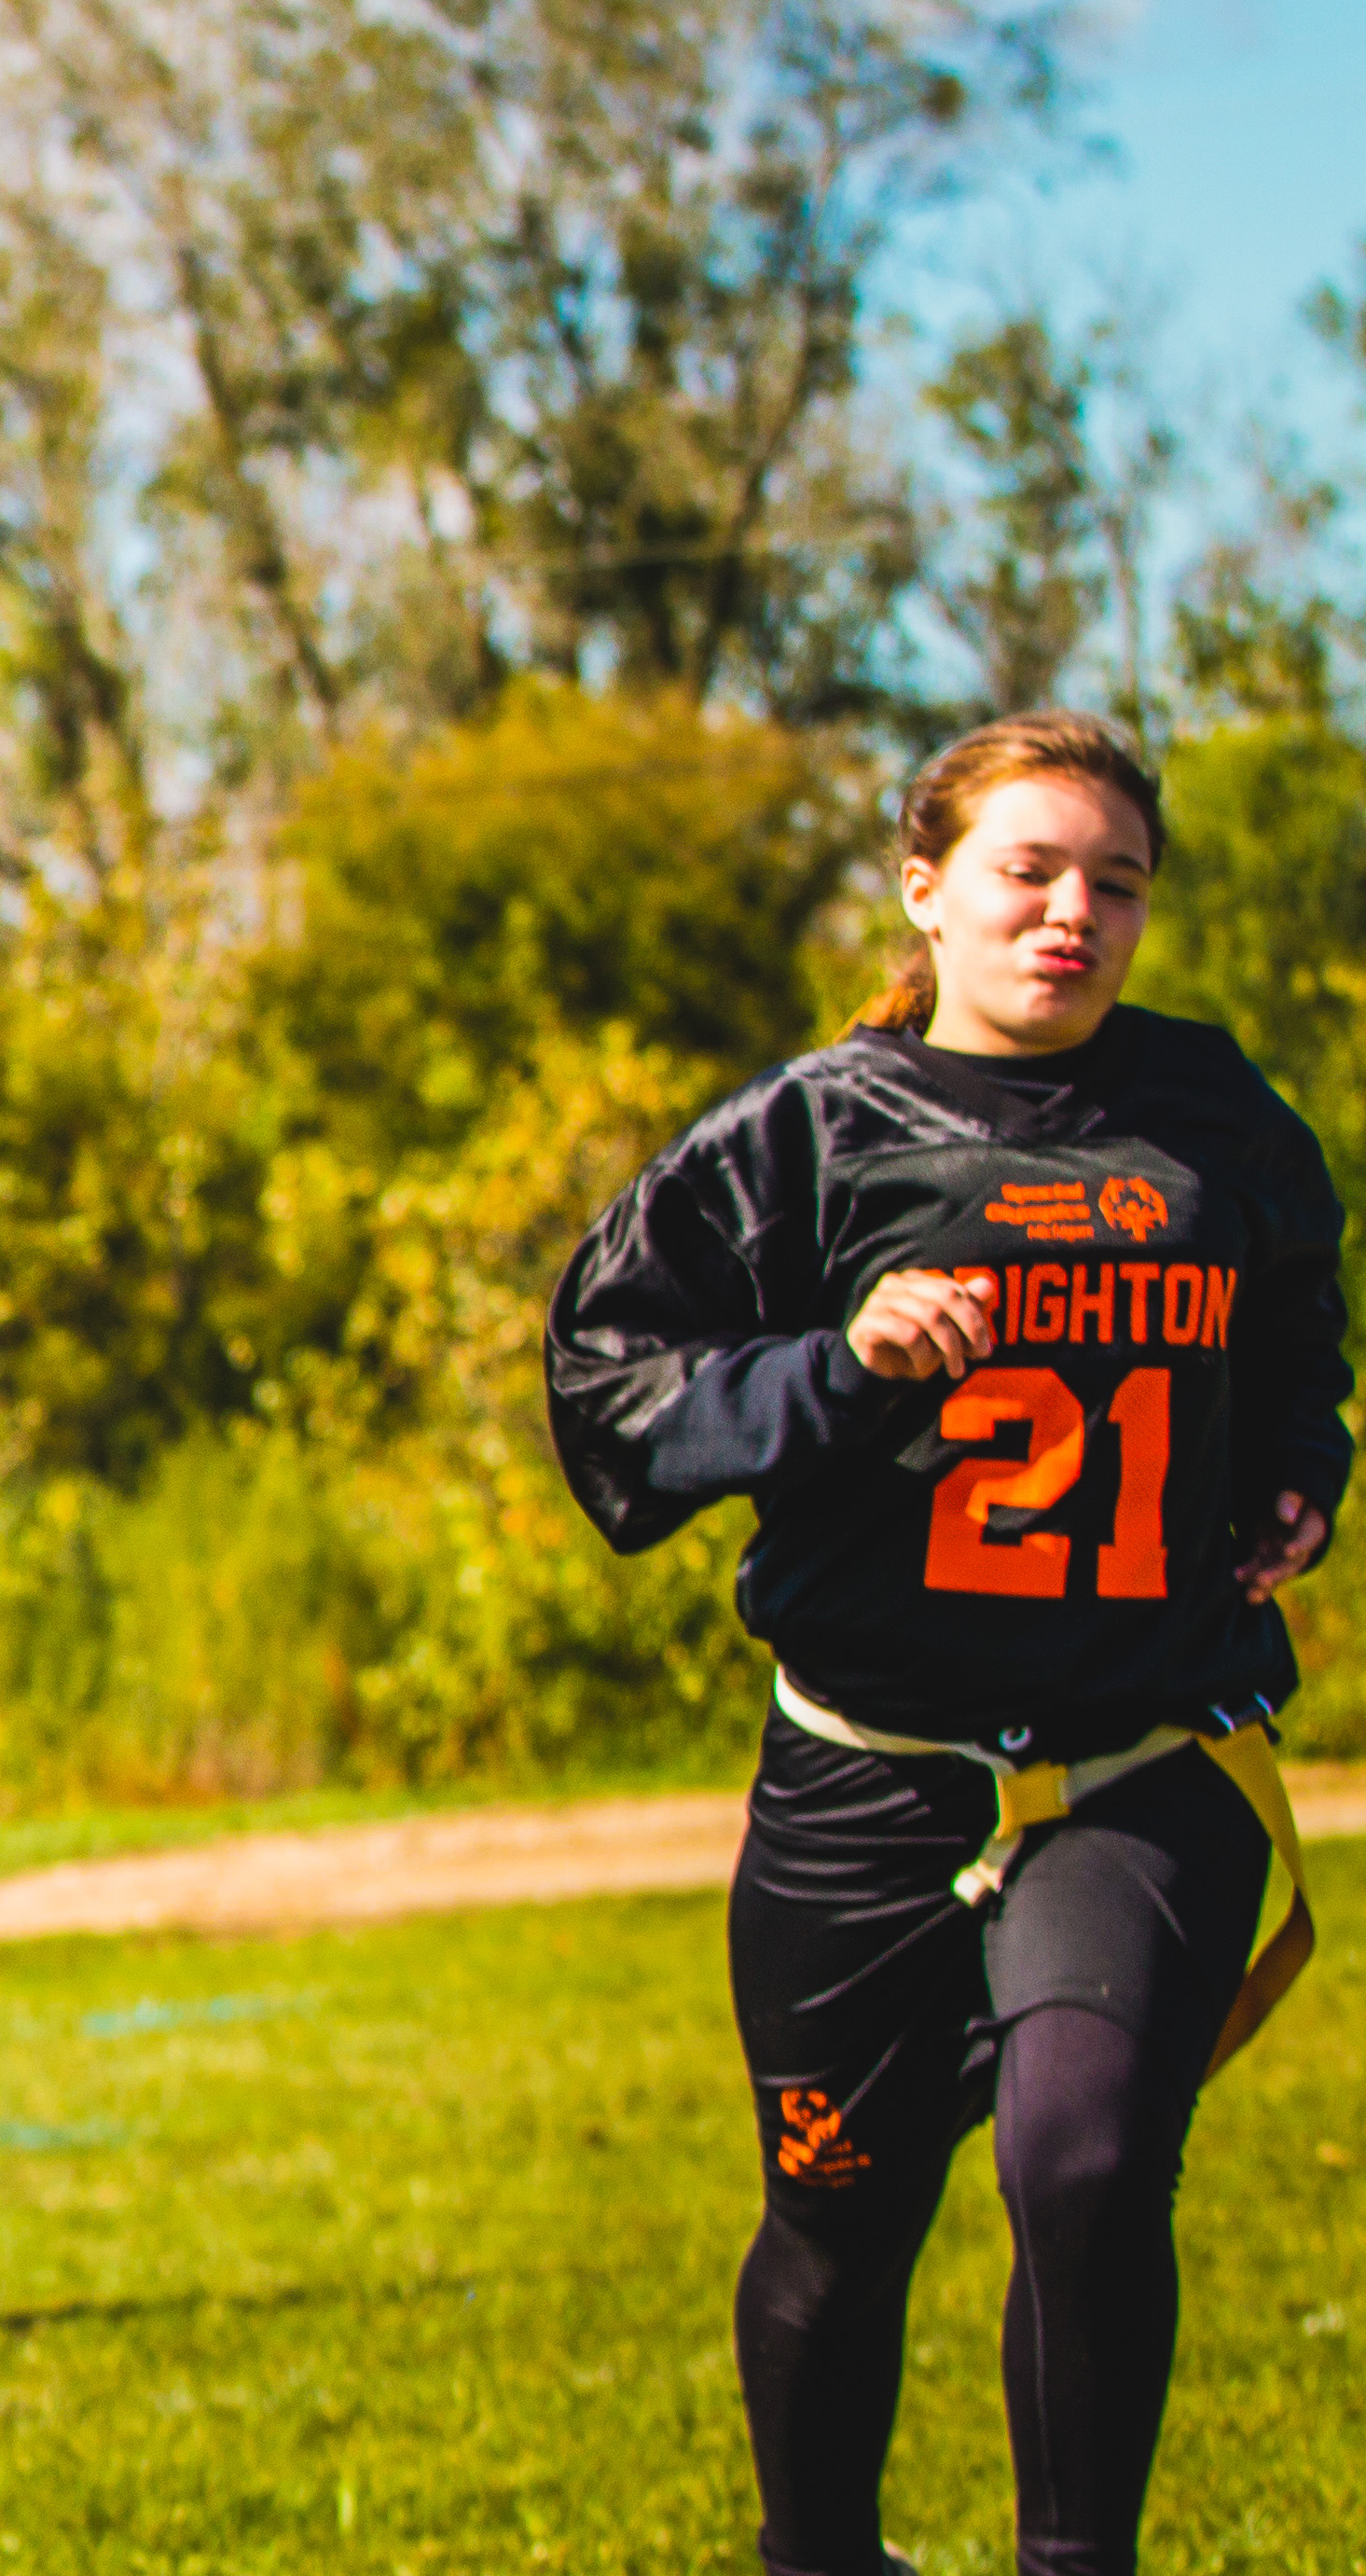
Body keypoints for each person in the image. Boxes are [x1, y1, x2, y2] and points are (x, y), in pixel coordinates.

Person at [549, 709, 1343, 2576]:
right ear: (928, 888)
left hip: (1142, 1758)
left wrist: (1304, 1469)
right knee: (838, 2220)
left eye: (1117, 882)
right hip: (868, 1781)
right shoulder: (813, 1133)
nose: (1075, 912)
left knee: (1083, 2166)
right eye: (1030, 870)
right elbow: (609, 1381)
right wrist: (839, 1368)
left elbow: (1301, 1332)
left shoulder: (1219, 1115)